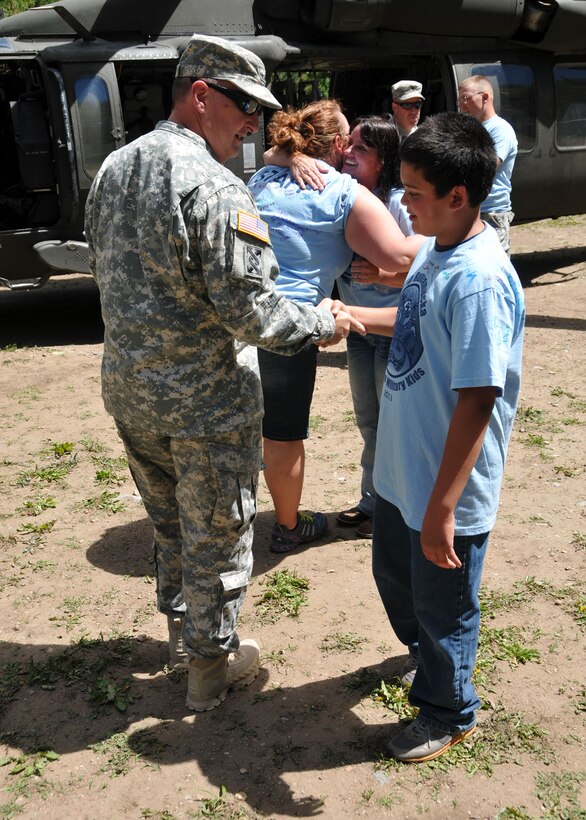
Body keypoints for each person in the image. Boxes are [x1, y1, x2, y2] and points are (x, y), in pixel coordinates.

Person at [84, 34, 361, 713]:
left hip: (132, 391)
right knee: (218, 531)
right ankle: (211, 666)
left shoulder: (115, 167)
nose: (253, 122)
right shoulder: (212, 184)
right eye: (243, 104)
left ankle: (184, 634)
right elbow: (256, 315)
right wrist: (326, 320)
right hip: (204, 404)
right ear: (200, 94)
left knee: (172, 527)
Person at [353, 111, 524, 762]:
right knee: (395, 578)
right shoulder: (436, 248)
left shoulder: (479, 279)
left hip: (442, 492)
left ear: (459, 197)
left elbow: (479, 397)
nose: (402, 203)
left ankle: (448, 711)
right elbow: (412, 318)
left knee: (444, 604)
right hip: (403, 473)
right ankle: (426, 660)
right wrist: (354, 319)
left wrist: (444, 509)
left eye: (414, 193)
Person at [248, 100, 423, 554]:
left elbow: (271, 155)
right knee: (282, 434)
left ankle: (227, 520)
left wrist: (289, 156)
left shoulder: (263, 177)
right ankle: (288, 527)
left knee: (239, 426)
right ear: (339, 143)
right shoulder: (343, 192)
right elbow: (402, 258)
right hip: (288, 327)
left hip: (238, 318)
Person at [335, 116, 414, 539]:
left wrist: (383, 277)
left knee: (391, 422)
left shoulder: (398, 203)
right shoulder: (343, 194)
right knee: (369, 421)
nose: (348, 152)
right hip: (358, 332)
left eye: (360, 149)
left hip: (389, 331)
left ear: (383, 161)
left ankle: (394, 509)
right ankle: (373, 502)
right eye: (348, 144)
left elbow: (425, 267)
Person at [458, 75, 518, 255]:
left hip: (491, 214)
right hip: (470, 212)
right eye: (459, 100)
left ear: (484, 97)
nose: (461, 105)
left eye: (466, 98)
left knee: (493, 271)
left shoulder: (500, 129)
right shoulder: (471, 130)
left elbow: (486, 166)